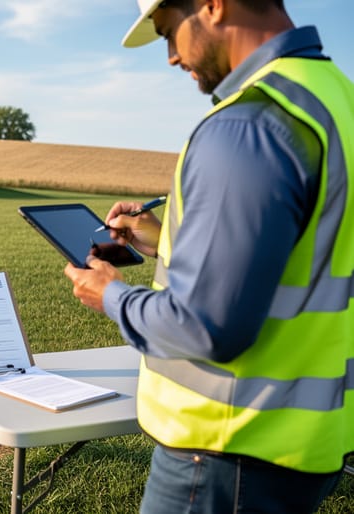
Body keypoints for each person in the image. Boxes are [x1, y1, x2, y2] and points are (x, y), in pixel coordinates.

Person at [63, 0, 354, 512]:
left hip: (225, 452)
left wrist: (111, 296)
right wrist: (162, 240)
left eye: (169, 30)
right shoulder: (335, 101)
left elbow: (209, 327)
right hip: (305, 445)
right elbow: (310, 251)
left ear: (213, 6)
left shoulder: (249, 125)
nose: (172, 56)